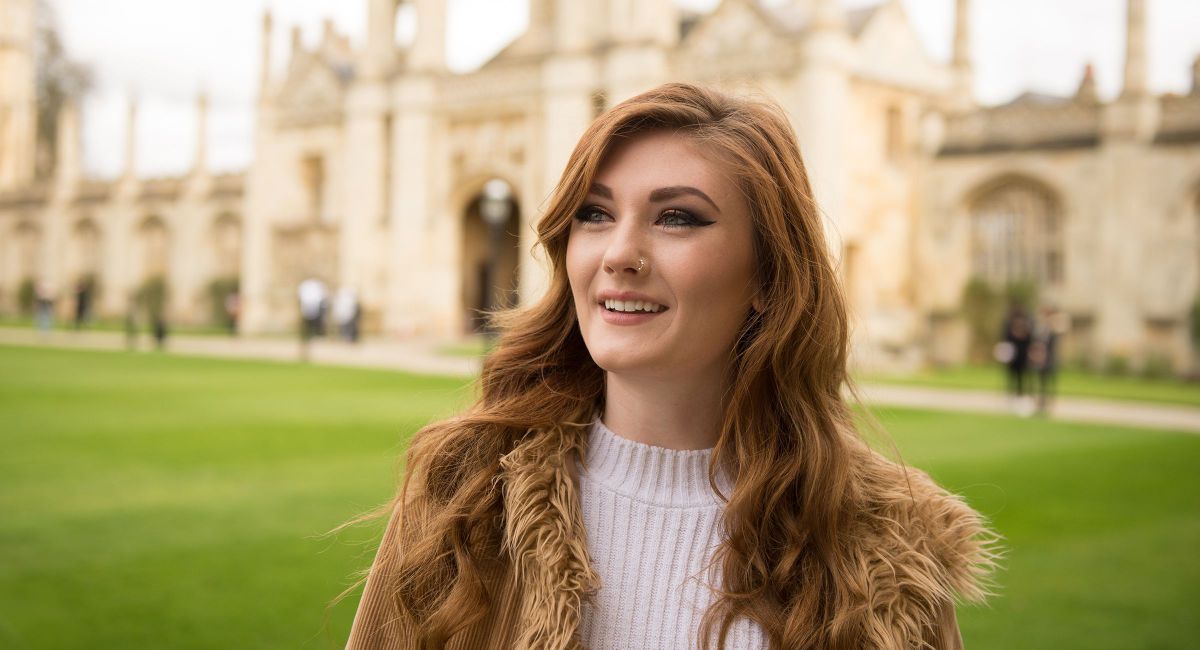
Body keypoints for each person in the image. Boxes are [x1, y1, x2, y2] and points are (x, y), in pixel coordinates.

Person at [346, 83, 996, 649]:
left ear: (769, 274)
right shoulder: (464, 494)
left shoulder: (886, 543)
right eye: (595, 214)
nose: (619, 253)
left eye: (677, 218)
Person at [1030, 305, 1067, 414]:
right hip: (1039, 360)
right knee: (1039, 381)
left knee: (1049, 381)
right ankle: (1039, 402)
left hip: (1049, 359)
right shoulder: (1039, 328)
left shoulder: (1053, 327)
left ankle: (1049, 403)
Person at [1000, 304, 1034, 416]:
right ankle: (1012, 398)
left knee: (1022, 379)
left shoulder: (1027, 328)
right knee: (1012, 378)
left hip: (1022, 358)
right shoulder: (1009, 327)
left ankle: (1021, 399)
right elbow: (1005, 341)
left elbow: (1030, 341)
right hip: (1013, 359)